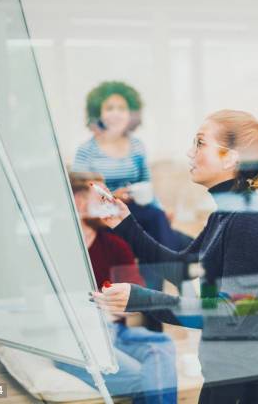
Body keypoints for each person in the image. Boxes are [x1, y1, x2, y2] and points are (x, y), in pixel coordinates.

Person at [92, 109, 258, 404]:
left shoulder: (250, 219)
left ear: (230, 158)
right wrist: (125, 225)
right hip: (224, 375)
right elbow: (182, 270)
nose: (190, 153)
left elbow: (228, 314)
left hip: (252, 384)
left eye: (200, 143)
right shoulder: (225, 215)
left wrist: (140, 299)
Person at [56, 172, 177, 404]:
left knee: (161, 345)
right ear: (79, 203)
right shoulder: (54, 247)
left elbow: (133, 305)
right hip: (77, 340)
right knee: (151, 379)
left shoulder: (116, 245)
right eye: (101, 198)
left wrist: (122, 302)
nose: (109, 203)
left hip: (116, 334)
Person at [72, 81, 190, 290]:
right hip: (105, 214)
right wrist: (112, 195)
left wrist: (162, 209)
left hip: (135, 211)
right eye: (110, 108)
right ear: (97, 112)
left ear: (130, 115)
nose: (116, 114)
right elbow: (80, 188)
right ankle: (177, 269)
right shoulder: (86, 150)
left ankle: (155, 295)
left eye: (122, 109)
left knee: (156, 217)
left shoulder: (137, 146)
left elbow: (146, 185)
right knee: (165, 232)